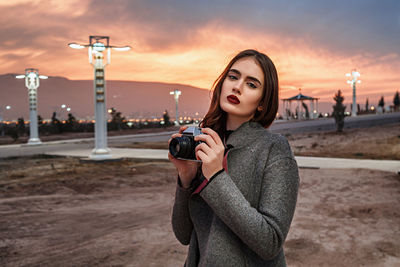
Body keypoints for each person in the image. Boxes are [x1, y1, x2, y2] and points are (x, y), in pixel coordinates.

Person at [169, 49, 299, 266]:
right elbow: (183, 235)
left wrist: (217, 176)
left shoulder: (274, 150)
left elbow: (271, 242)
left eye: (251, 84)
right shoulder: (206, 144)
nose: (237, 87)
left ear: (262, 103)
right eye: (233, 76)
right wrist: (186, 178)